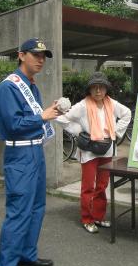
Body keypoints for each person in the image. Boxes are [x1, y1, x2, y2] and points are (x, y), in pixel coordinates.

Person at [0, 38, 61, 266]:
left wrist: (46, 113)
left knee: (37, 206)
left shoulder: (31, 86)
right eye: (36, 54)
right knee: (19, 210)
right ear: (21, 55)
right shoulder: (9, 87)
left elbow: (30, 119)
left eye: (44, 55)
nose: (41, 59)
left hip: (35, 152)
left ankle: (26, 254)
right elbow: (12, 125)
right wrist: (42, 115)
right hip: (19, 155)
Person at [55, 72, 131, 233]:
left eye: (101, 88)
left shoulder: (111, 103)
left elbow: (127, 114)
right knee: (88, 186)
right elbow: (62, 118)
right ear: (89, 90)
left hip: (106, 149)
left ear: (106, 89)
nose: (98, 91)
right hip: (88, 150)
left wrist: (115, 132)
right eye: (94, 88)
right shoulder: (82, 105)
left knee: (102, 185)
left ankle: (98, 216)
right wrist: (79, 131)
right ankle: (87, 219)